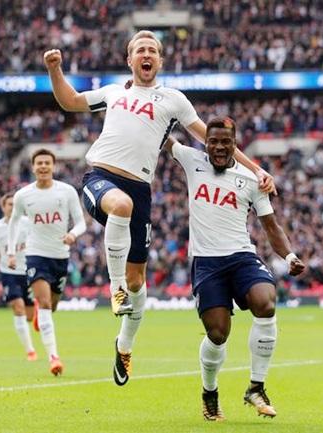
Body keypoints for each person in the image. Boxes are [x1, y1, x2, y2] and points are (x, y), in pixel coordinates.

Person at [43, 30, 276, 386]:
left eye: (153, 50)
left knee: (139, 286)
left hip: (141, 189)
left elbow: (211, 139)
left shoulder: (173, 100)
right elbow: (70, 101)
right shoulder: (113, 92)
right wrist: (55, 70)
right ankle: (114, 285)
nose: (146, 54)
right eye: (140, 50)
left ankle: (124, 344)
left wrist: (256, 170)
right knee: (120, 209)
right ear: (130, 59)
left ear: (160, 61)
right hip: (101, 178)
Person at [164, 118, 305, 421]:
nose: (217, 147)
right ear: (206, 141)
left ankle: (256, 386)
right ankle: (210, 391)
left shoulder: (253, 180)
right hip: (207, 262)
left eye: (224, 142)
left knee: (266, 302)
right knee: (218, 333)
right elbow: (162, 136)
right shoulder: (191, 160)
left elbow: (272, 226)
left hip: (241, 257)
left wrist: (289, 256)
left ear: (234, 144)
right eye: (212, 141)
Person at [7, 148, 86, 376]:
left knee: (51, 306)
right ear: (33, 167)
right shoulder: (23, 195)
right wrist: (12, 252)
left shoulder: (67, 191)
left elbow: (81, 222)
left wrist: (73, 234)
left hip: (60, 256)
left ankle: (41, 321)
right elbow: (13, 224)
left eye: (47, 163)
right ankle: (54, 357)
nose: (43, 167)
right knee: (42, 304)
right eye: (39, 163)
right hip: (35, 254)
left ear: (53, 166)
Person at [0, 192, 37, 361]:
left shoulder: (28, 224)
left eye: (15, 204)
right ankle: (30, 351)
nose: (13, 207)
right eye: (9, 205)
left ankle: (36, 312)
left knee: (28, 316)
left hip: (28, 271)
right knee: (18, 308)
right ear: (3, 207)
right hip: (8, 273)